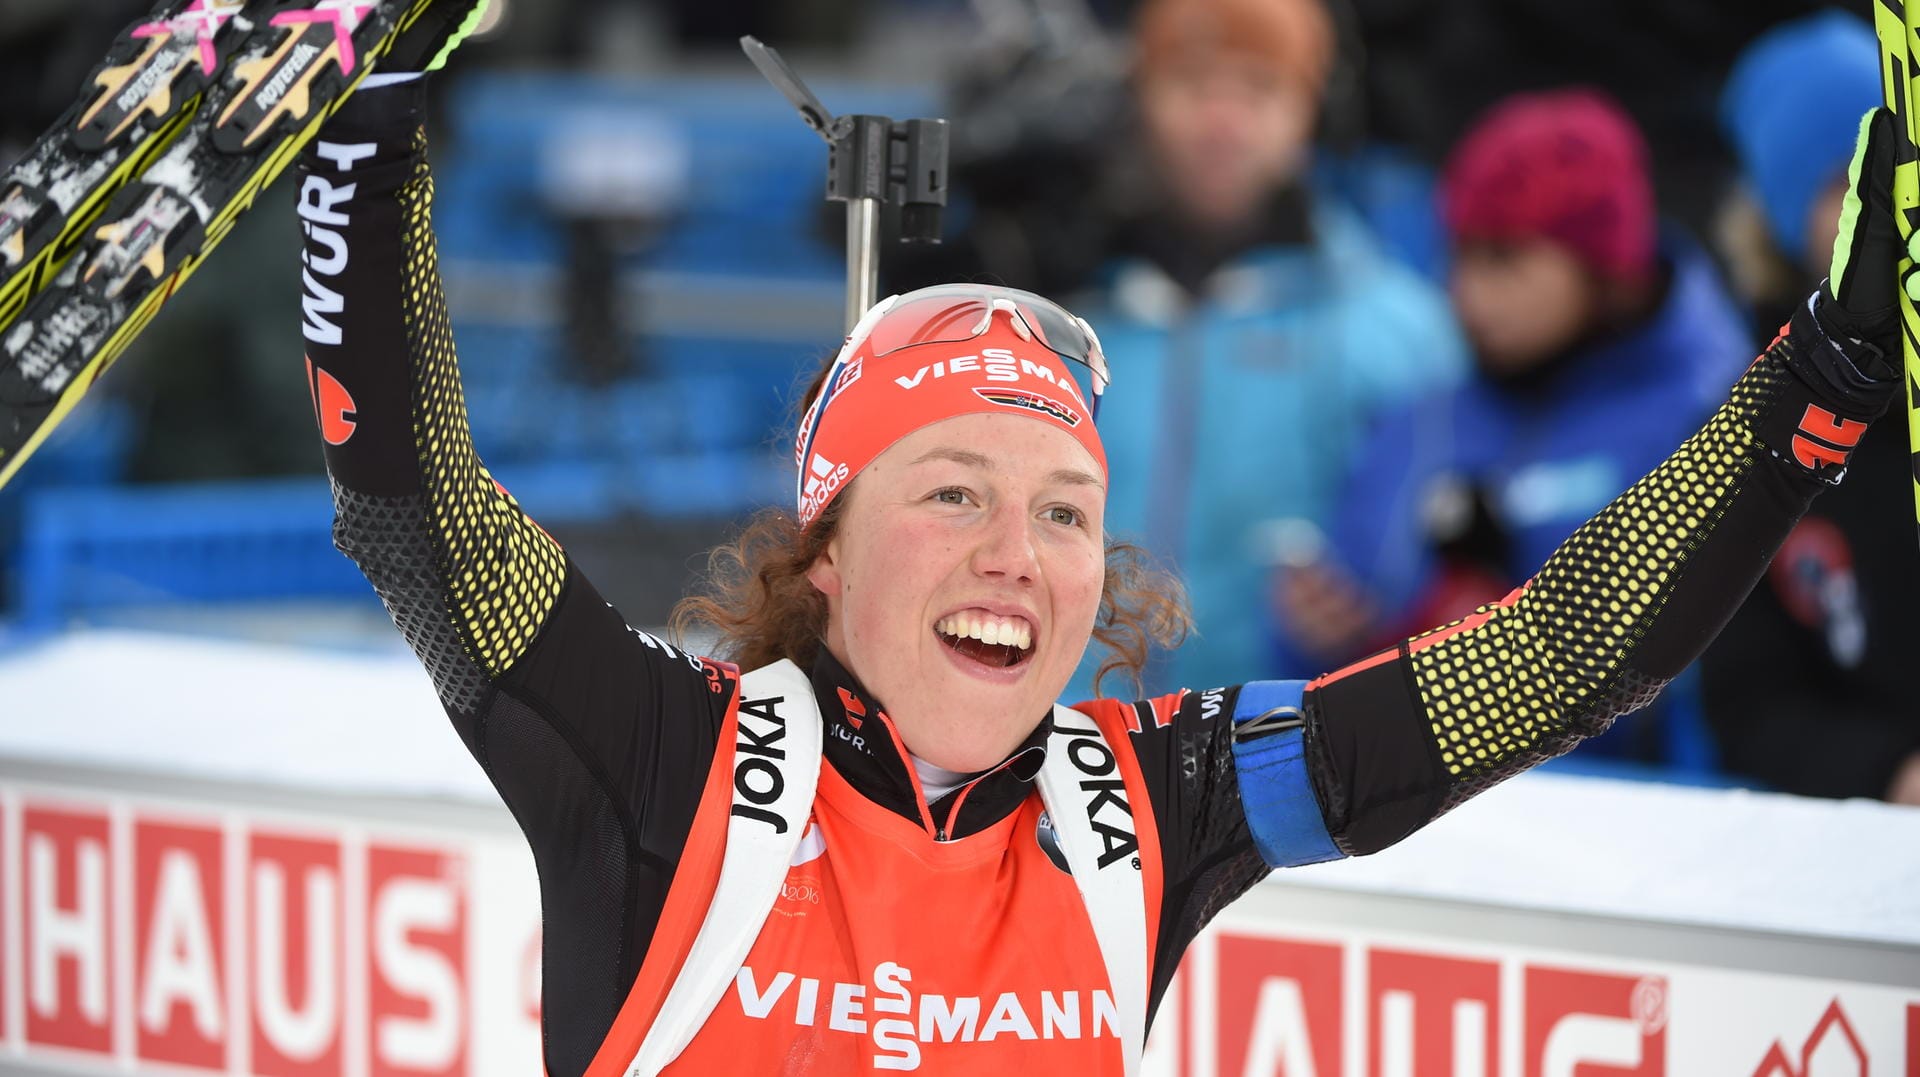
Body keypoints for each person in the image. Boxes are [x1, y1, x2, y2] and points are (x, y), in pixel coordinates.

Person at [299, 9, 1908, 1071]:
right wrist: (363, 139)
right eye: (951, 490)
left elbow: (1556, 660)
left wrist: (1814, 393)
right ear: (828, 553)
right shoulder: (661, 764)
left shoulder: (1152, 808)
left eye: (1067, 511)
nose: (1020, 548)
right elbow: (416, 510)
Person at [1269, 89, 1752, 765]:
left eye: (1503, 259)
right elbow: (1318, 664)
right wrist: (1319, 635)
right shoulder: (1421, 420)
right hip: (1411, 824)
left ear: (1599, 262)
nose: (1467, 293)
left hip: (1628, 837)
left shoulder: (1712, 419)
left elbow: (1730, 693)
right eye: (1459, 255)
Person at [1086, 0, 1466, 694]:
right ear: (1140, 97)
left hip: (1293, 769)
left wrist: (1393, 594)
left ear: (1314, 109)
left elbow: (1465, 555)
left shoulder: (1402, 330)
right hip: (1070, 756)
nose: (1223, 122)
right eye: (1194, 84)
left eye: (1260, 88)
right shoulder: (1058, 315)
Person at [1703, 12, 1920, 803]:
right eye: (1846, 186)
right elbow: (1747, 700)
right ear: (1783, 222)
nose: (1886, 206)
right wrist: (1888, 773)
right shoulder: (1755, 423)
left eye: (1901, 171)